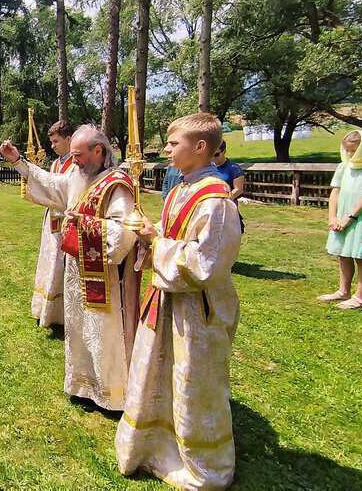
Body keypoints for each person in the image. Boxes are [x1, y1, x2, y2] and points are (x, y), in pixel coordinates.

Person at [116, 112, 242, 490]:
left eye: (174, 144)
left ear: (200, 147)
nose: (167, 150)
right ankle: (154, 445)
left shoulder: (217, 204)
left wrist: (157, 242)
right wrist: (147, 239)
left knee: (192, 382)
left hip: (197, 311)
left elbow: (205, 266)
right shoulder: (178, 190)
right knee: (158, 369)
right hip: (166, 299)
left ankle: (202, 464)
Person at [0, 125, 139, 411]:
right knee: (78, 327)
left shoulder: (116, 184)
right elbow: (52, 184)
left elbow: (125, 232)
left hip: (106, 275)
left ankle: (109, 393)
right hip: (78, 269)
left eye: (79, 155)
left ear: (98, 151)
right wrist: (17, 162)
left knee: (102, 331)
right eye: (73, 155)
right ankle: (82, 385)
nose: (73, 161)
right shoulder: (77, 175)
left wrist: (83, 224)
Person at [318, 130, 362, 310]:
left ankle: (361, 296)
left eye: (353, 150)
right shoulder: (344, 166)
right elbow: (335, 191)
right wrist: (333, 217)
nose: (349, 154)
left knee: (361, 256)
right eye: (347, 150)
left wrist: (349, 218)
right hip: (341, 217)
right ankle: (344, 290)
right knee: (343, 253)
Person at [30, 120, 76, 328]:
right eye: (51, 142)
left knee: (65, 264)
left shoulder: (77, 164)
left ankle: (65, 313)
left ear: (69, 139)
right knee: (51, 261)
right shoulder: (56, 163)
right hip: (52, 219)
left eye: (56, 141)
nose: (53, 145)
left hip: (68, 219)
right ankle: (48, 310)